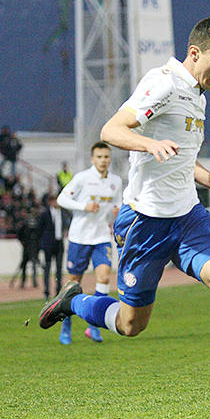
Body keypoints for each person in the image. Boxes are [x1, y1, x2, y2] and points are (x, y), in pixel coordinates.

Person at [38, 17, 210, 419]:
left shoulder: (198, 95)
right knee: (130, 325)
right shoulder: (162, 83)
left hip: (188, 218)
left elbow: (184, 160)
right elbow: (112, 129)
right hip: (145, 221)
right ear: (194, 53)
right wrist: (147, 142)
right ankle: (74, 301)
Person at [55, 142, 122, 344]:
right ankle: (65, 328)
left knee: (103, 277)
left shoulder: (116, 181)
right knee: (73, 283)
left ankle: (93, 326)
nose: (103, 160)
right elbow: (61, 200)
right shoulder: (82, 178)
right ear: (92, 159)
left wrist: (119, 212)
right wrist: (83, 206)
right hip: (79, 238)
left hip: (101, 237)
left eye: (106, 157)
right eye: (99, 157)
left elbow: (118, 204)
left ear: (110, 159)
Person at [37, 193, 69, 300]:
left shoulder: (63, 213)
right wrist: (42, 244)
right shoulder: (45, 214)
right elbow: (39, 229)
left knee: (59, 268)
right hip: (48, 244)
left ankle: (58, 289)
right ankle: (46, 290)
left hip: (59, 243)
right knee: (47, 267)